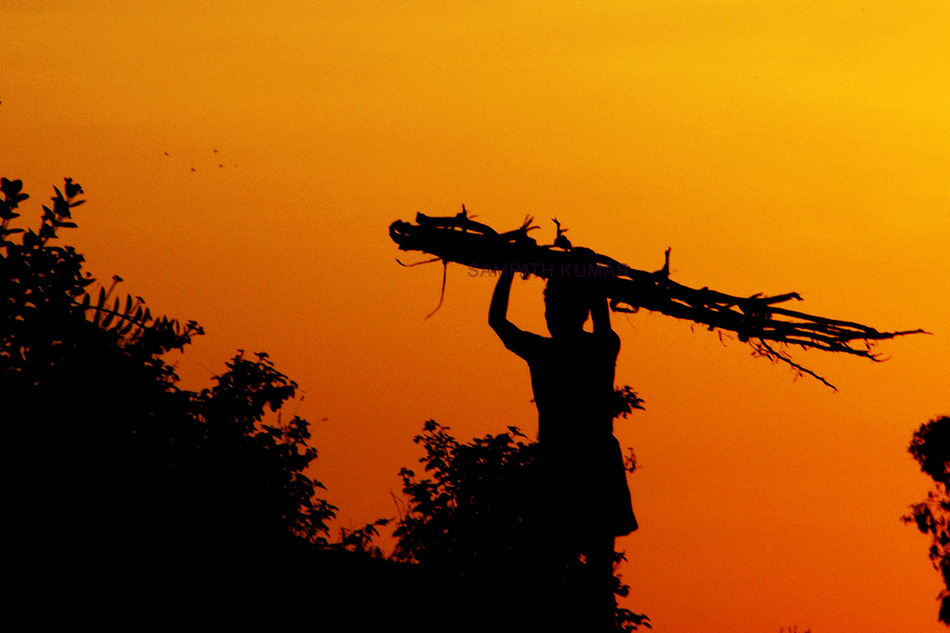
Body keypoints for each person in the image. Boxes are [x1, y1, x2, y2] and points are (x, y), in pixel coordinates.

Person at [489, 266, 636, 630]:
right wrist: (591, 282)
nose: (550, 317)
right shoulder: (600, 349)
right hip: (593, 463)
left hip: (563, 465)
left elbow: (498, 321)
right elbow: (601, 319)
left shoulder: (545, 351)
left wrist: (507, 268)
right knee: (592, 567)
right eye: (549, 310)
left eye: (553, 309)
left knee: (556, 562)